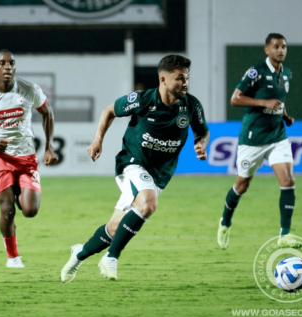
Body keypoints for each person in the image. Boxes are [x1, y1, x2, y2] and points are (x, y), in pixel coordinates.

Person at [61, 55, 210, 283]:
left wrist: (201, 143)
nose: (186, 83)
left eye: (187, 78)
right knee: (148, 204)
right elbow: (108, 111)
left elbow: (202, 131)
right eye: (180, 78)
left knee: (114, 229)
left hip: (161, 173)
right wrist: (98, 139)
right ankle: (111, 258)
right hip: (132, 162)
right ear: (163, 79)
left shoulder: (191, 105)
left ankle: (78, 254)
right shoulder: (142, 100)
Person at [0, 49, 58, 268]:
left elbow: (47, 113)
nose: (7, 67)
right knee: (7, 209)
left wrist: (48, 147)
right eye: (2, 63)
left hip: (26, 156)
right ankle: (13, 257)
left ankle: (14, 187)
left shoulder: (29, 89)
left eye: (11, 63)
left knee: (30, 211)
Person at [216, 33, 299, 250]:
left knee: (288, 181)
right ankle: (225, 221)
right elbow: (235, 99)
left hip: (277, 136)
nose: (281, 50)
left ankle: (284, 235)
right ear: (267, 50)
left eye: (284, 47)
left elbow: (278, 102)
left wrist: (285, 116)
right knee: (242, 185)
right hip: (253, 138)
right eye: (276, 46)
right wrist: (263, 102)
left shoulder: (287, 74)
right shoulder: (256, 72)